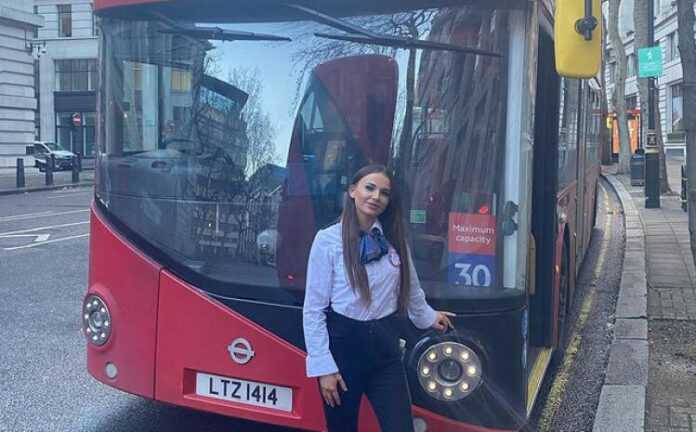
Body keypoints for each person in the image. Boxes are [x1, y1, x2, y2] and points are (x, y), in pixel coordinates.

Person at [303, 164, 453, 432]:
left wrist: (429, 317)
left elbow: (411, 288)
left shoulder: (394, 239)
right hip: (343, 349)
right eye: (369, 188)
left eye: (384, 193)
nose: (376, 197)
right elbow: (314, 309)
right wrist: (323, 367)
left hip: (385, 349)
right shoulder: (327, 240)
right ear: (352, 191)